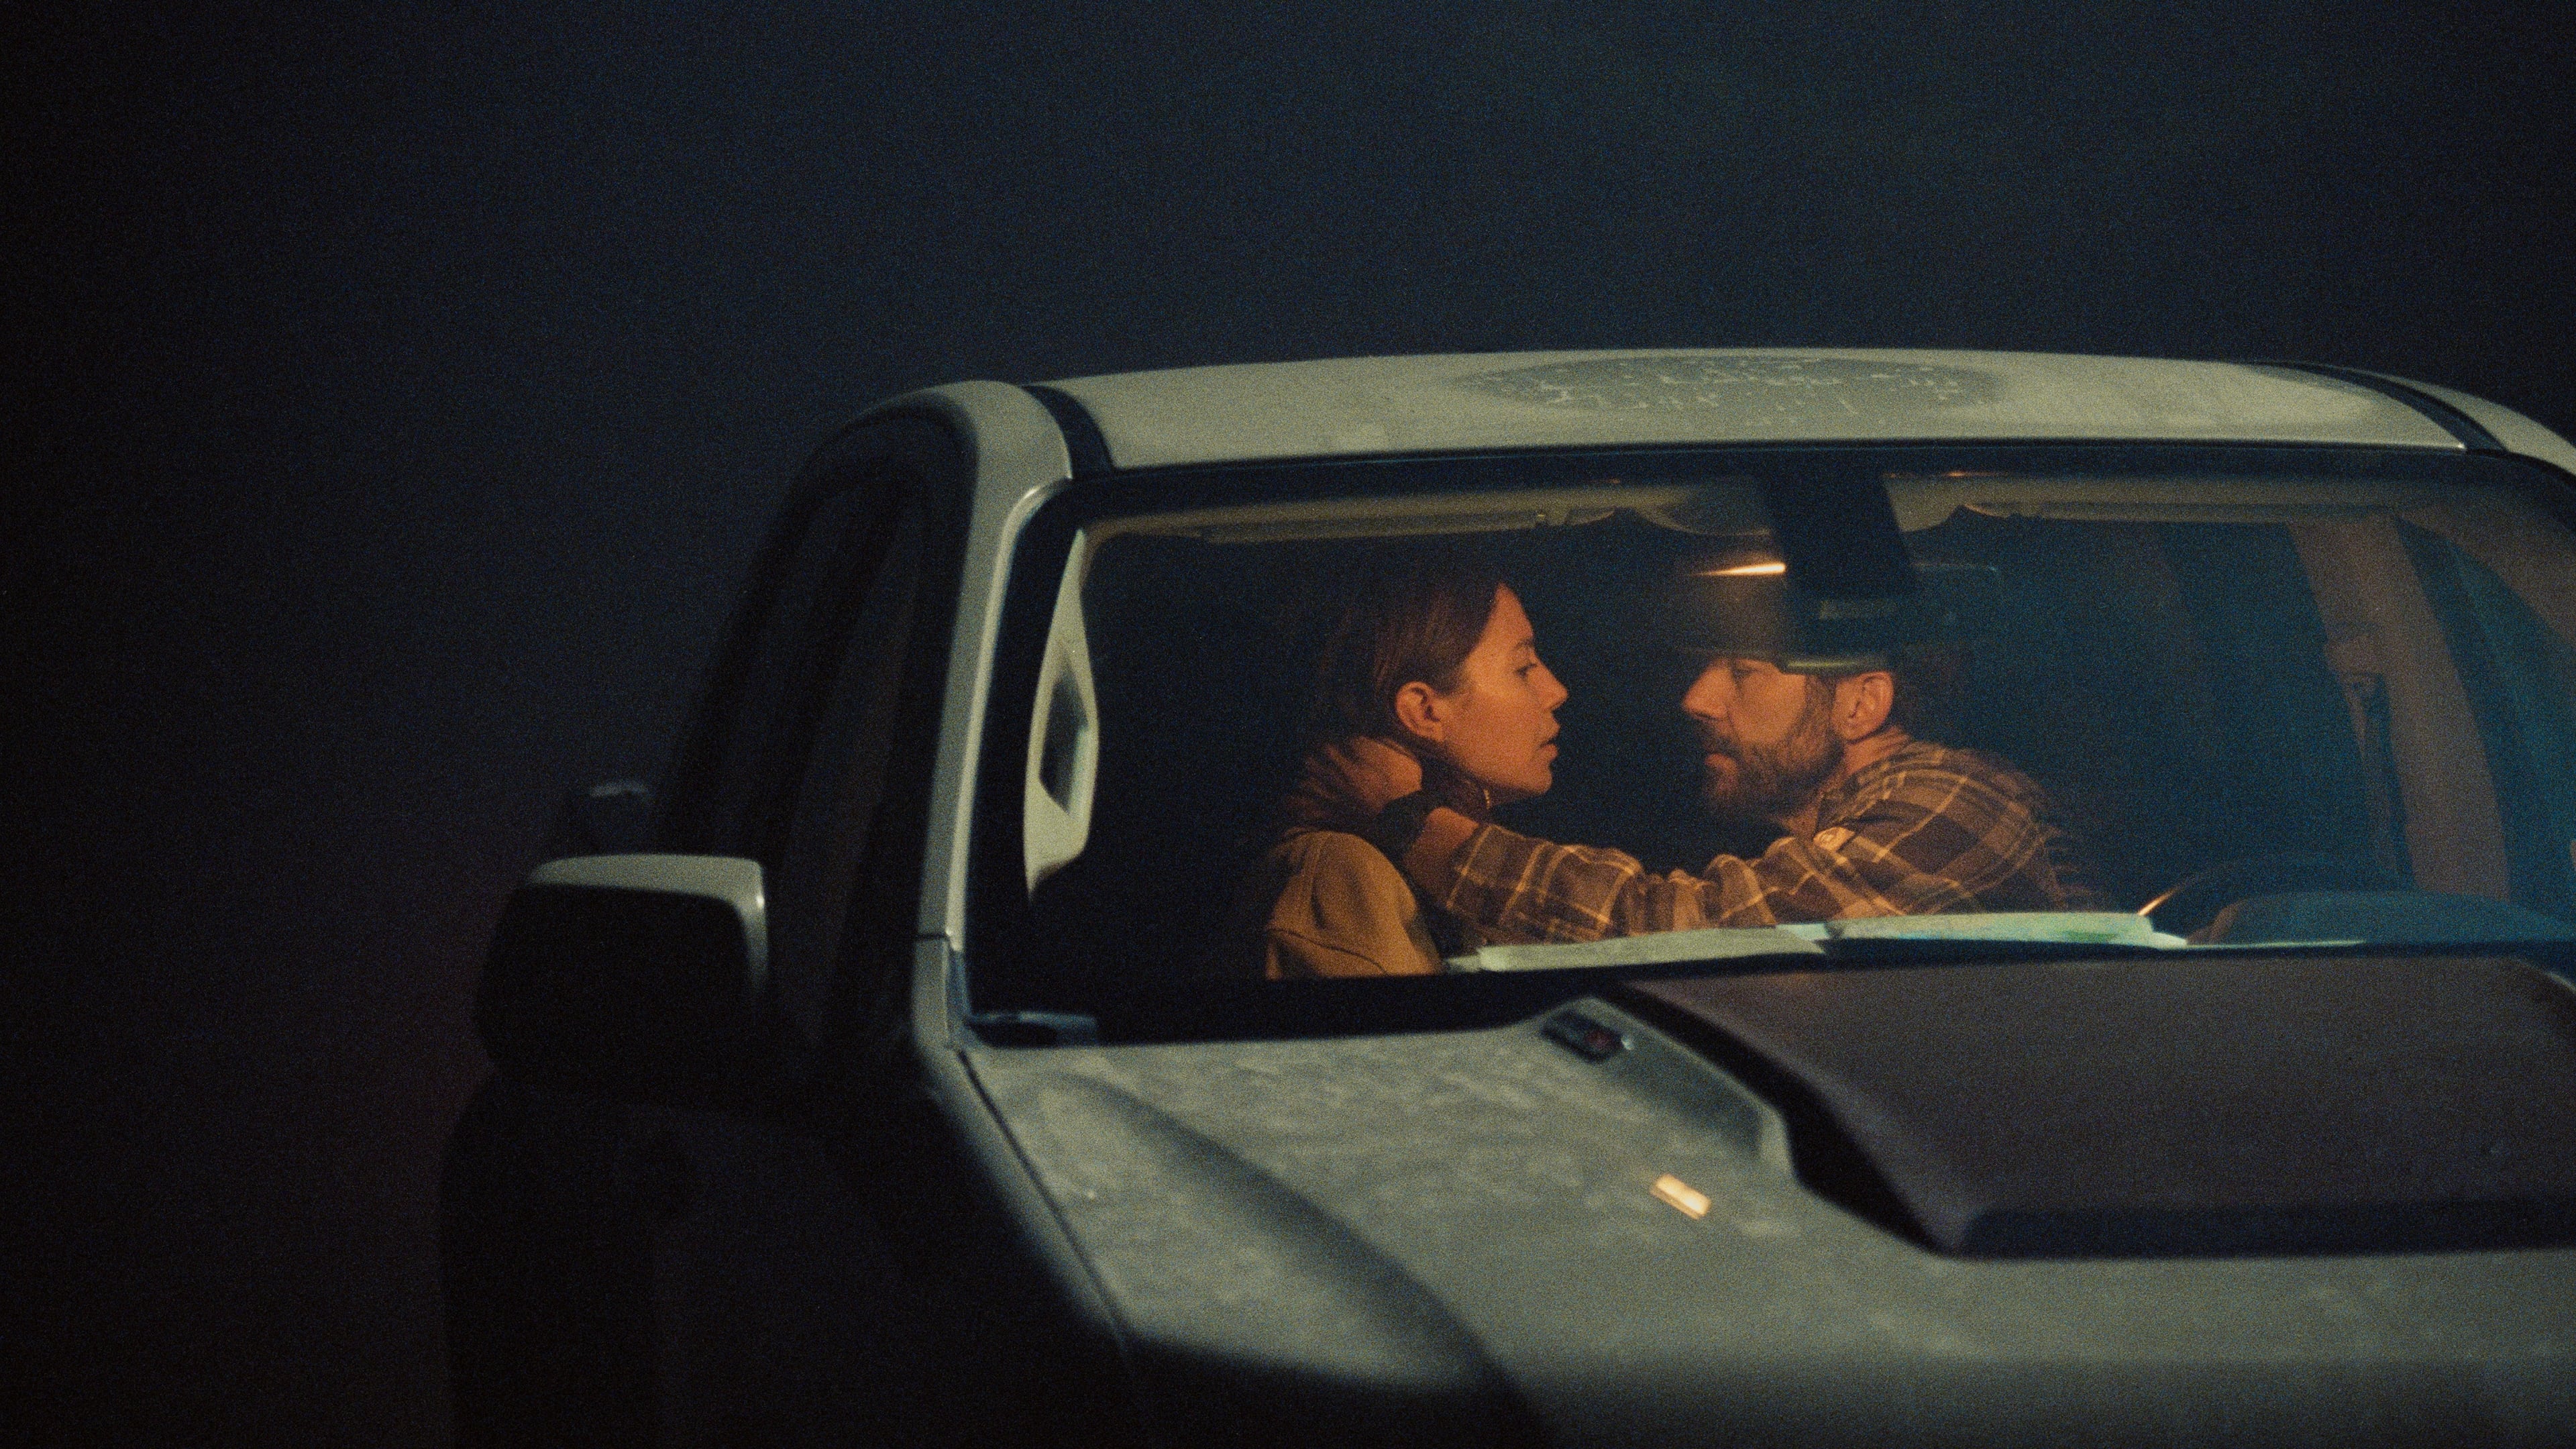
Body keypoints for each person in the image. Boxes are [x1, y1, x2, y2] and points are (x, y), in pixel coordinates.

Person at [1316, 548, 2098, 941]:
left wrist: (1415, 824)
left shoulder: (1956, 799)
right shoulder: (1862, 828)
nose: (1697, 700)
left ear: (1862, 703)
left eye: (1744, 672)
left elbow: (1684, 932)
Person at [1233, 550, 1568, 977]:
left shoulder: (1399, 874)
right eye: (1522, 668)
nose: (1556, 691)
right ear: (1424, 711)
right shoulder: (1341, 873)